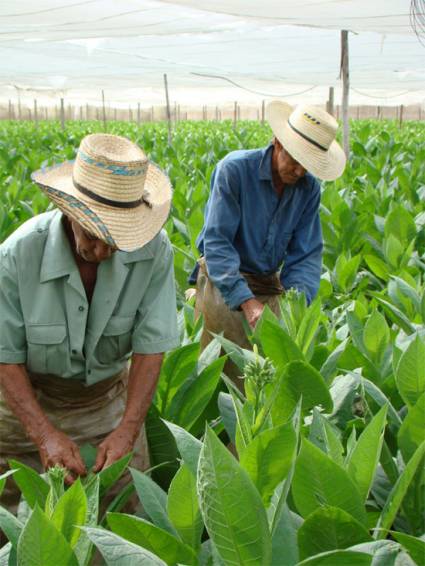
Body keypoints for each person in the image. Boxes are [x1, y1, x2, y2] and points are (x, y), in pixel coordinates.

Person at [0, 133, 179, 509]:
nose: (103, 251)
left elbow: (151, 348)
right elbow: (5, 356)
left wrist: (128, 430)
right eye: (94, 235)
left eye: (118, 240)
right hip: (23, 409)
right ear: (70, 211)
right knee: (15, 522)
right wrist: (44, 434)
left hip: (104, 402)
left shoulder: (154, 252)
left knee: (125, 511)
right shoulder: (17, 256)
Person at [190, 101, 346, 385]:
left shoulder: (308, 189)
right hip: (223, 284)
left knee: (268, 379)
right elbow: (217, 244)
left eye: (307, 165)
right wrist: (246, 302)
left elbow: (306, 255)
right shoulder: (234, 171)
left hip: (268, 286)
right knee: (220, 376)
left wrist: (295, 309)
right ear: (277, 142)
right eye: (295, 159)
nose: (299, 171)